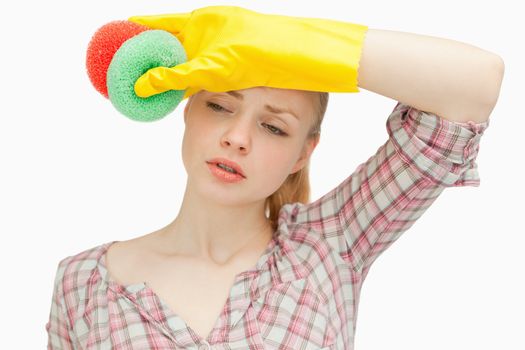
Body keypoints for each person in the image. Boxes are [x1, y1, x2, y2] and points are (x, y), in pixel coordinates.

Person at [46, 5, 504, 349]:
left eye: (273, 126)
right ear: (187, 112)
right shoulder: (82, 282)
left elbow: (476, 83)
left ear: (303, 154)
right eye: (221, 106)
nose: (237, 138)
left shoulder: (332, 244)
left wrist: (285, 41)